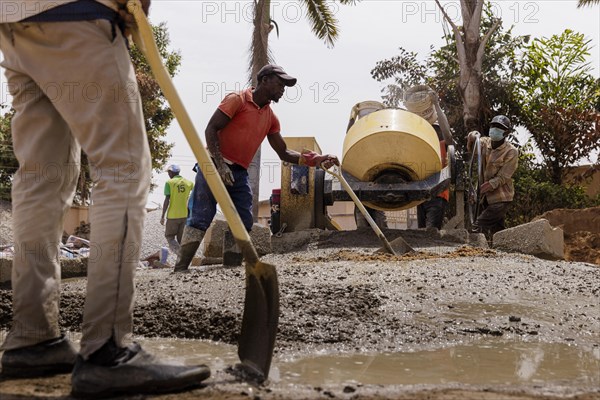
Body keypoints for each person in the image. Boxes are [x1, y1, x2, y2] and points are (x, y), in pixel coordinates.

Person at [0, 1, 209, 397]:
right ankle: (108, 350)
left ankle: (33, 339)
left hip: (14, 20)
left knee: (41, 176)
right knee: (124, 167)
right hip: (77, 15)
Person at [174, 64, 339, 272]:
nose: (282, 90)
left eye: (284, 86)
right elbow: (211, 128)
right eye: (280, 84)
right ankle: (180, 268)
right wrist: (218, 163)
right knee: (201, 215)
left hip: (238, 172)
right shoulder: (237, 100)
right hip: (212, 165)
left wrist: (316, 159)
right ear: (264, 81)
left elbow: (284, 153)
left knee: (242, 220)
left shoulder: (270, 118)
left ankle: (230, 267)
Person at [467, 115, 518, 238]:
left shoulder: (511, 151)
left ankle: (473, 248)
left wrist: (489, 185)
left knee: (479, 225)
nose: (495, 129)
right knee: (498, 230)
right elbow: (472, 142)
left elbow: (504, 176)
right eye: (493, 126)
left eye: (499, 127)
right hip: (485, 197)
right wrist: (473, 136)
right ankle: (503, 249)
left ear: (506, 132)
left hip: (501, 198)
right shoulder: (484, 143)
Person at [417, 92, 454, 230]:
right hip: (420, 195)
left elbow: (448, 134)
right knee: (421, 232)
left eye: (436, 130)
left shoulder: (444, 144)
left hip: (437, 194)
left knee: (431, 231)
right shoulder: (421, 148)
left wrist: (437, 105)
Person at [160, 164, 193, 254]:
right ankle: (183, 259)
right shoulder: (189, 183)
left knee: (169, 236)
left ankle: (180, 253)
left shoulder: (169, 183)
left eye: (168, 172)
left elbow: (167, 199)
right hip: (185, 215)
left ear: (171, 172)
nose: (168, 174)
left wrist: (162, 216)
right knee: (181, 239)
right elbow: (194, 195)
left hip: (173, 216)